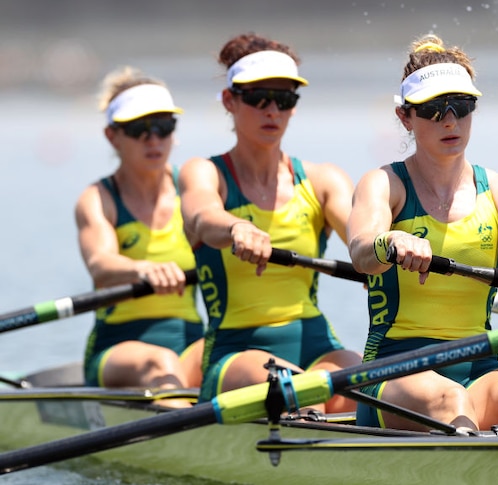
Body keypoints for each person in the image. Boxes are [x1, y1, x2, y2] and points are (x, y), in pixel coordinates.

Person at [347, 34, 498, 432]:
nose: (450, 120)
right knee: (449, 400)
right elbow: (360, 250)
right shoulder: (385, 184)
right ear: (406, 117)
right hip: (394, 372)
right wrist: (391, 242)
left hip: (482, 364)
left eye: (462, 106)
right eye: (434, 109)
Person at [180, 32, 360, 412]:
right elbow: (201, 215)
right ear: (230, 100)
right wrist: (236, 229)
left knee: (374, 393)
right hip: (233, 353)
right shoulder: (205, 173)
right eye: (258, 98)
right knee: (301, 395)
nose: (272, 111)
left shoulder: (323, 180)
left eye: (284, 99)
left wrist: (385, 251)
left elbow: (363, 235)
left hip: (317, 344)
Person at [76, 67, 204, 407]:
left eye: (163, 126)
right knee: (161, 362)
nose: (153, 139)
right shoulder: (99, 198)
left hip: (191, 341)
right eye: (139, 129)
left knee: (251, 351)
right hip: (119, 349)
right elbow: (101, 263)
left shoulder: (195, 191)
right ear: (112, 136)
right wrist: (143, 269)